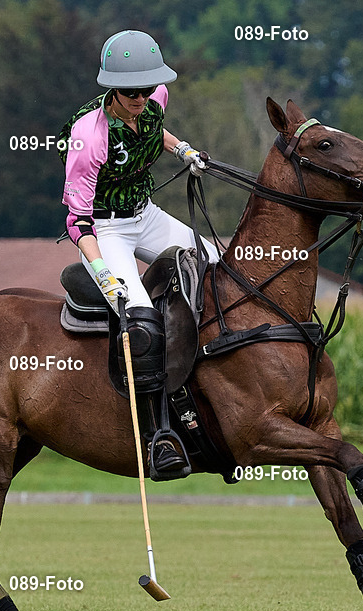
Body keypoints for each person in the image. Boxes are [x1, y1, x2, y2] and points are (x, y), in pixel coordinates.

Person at [58, 29, 217, 479]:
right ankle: (159, 434)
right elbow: (78, 218)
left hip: (146, 214)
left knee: (215, 266)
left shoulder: (155, 99)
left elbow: (154, 130)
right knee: (140, 320)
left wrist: (181, 148)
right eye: (131, 92)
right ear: (112, 88)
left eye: (148, 88)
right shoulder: (88, 136)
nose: (141, 97)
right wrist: (103, 269)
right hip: (105, 228)